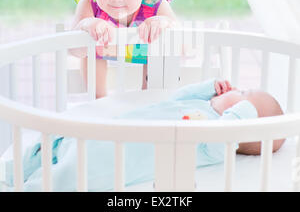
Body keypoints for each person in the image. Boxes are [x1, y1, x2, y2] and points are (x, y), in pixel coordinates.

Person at [2, 78, 285, 192]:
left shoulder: (214, 141)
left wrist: (244, 110)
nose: (238, 88)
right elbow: (177, 95)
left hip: (111, 159)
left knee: (66, 178)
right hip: (103, 132)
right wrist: (209, 87)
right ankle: (16, 173)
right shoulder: (200, 105)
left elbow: (227, 131)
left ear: (243, 118)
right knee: (55, 146)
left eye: (245, 93)